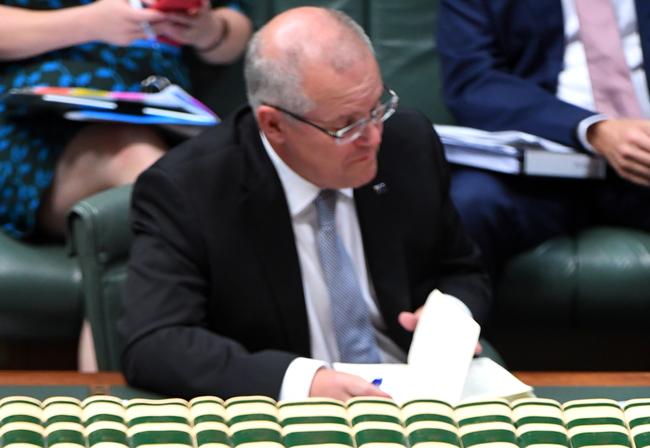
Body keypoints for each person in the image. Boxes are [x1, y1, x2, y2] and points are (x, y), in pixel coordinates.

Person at [119, 6, 491, 402]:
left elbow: (460, 268)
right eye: (346, 125)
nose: (374, 137)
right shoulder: (190, 190)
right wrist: (301, 382)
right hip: (285, 419)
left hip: (413, 396)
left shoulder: (407, 143)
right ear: (274, 125)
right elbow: (155, 341)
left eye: (377, 108)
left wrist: (451, 315)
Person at [0, 0, 252, 240]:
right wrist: (86, 24)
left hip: (164, 111)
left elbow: (235, 26)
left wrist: (207, 30)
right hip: (34, 118)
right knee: (149, 166)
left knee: (219, 180)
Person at [437, 0, 650, 277]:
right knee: (469, 203)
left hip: (645, 155)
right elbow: (472, 82)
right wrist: (593, 129)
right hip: (542, 163)